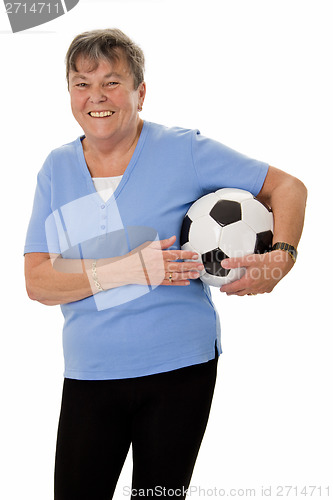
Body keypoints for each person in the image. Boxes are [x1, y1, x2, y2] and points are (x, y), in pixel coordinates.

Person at [24, 29, 307, 500]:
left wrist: (283, 256)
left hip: (181, 368)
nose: (96, 97)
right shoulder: (56, 169)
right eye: (81, 83)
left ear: (140, 92)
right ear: (69, 91)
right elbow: (36, 282)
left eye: (112, 82)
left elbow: (288, 187)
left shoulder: (183, 150)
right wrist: (130, 268)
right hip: (91, 370)